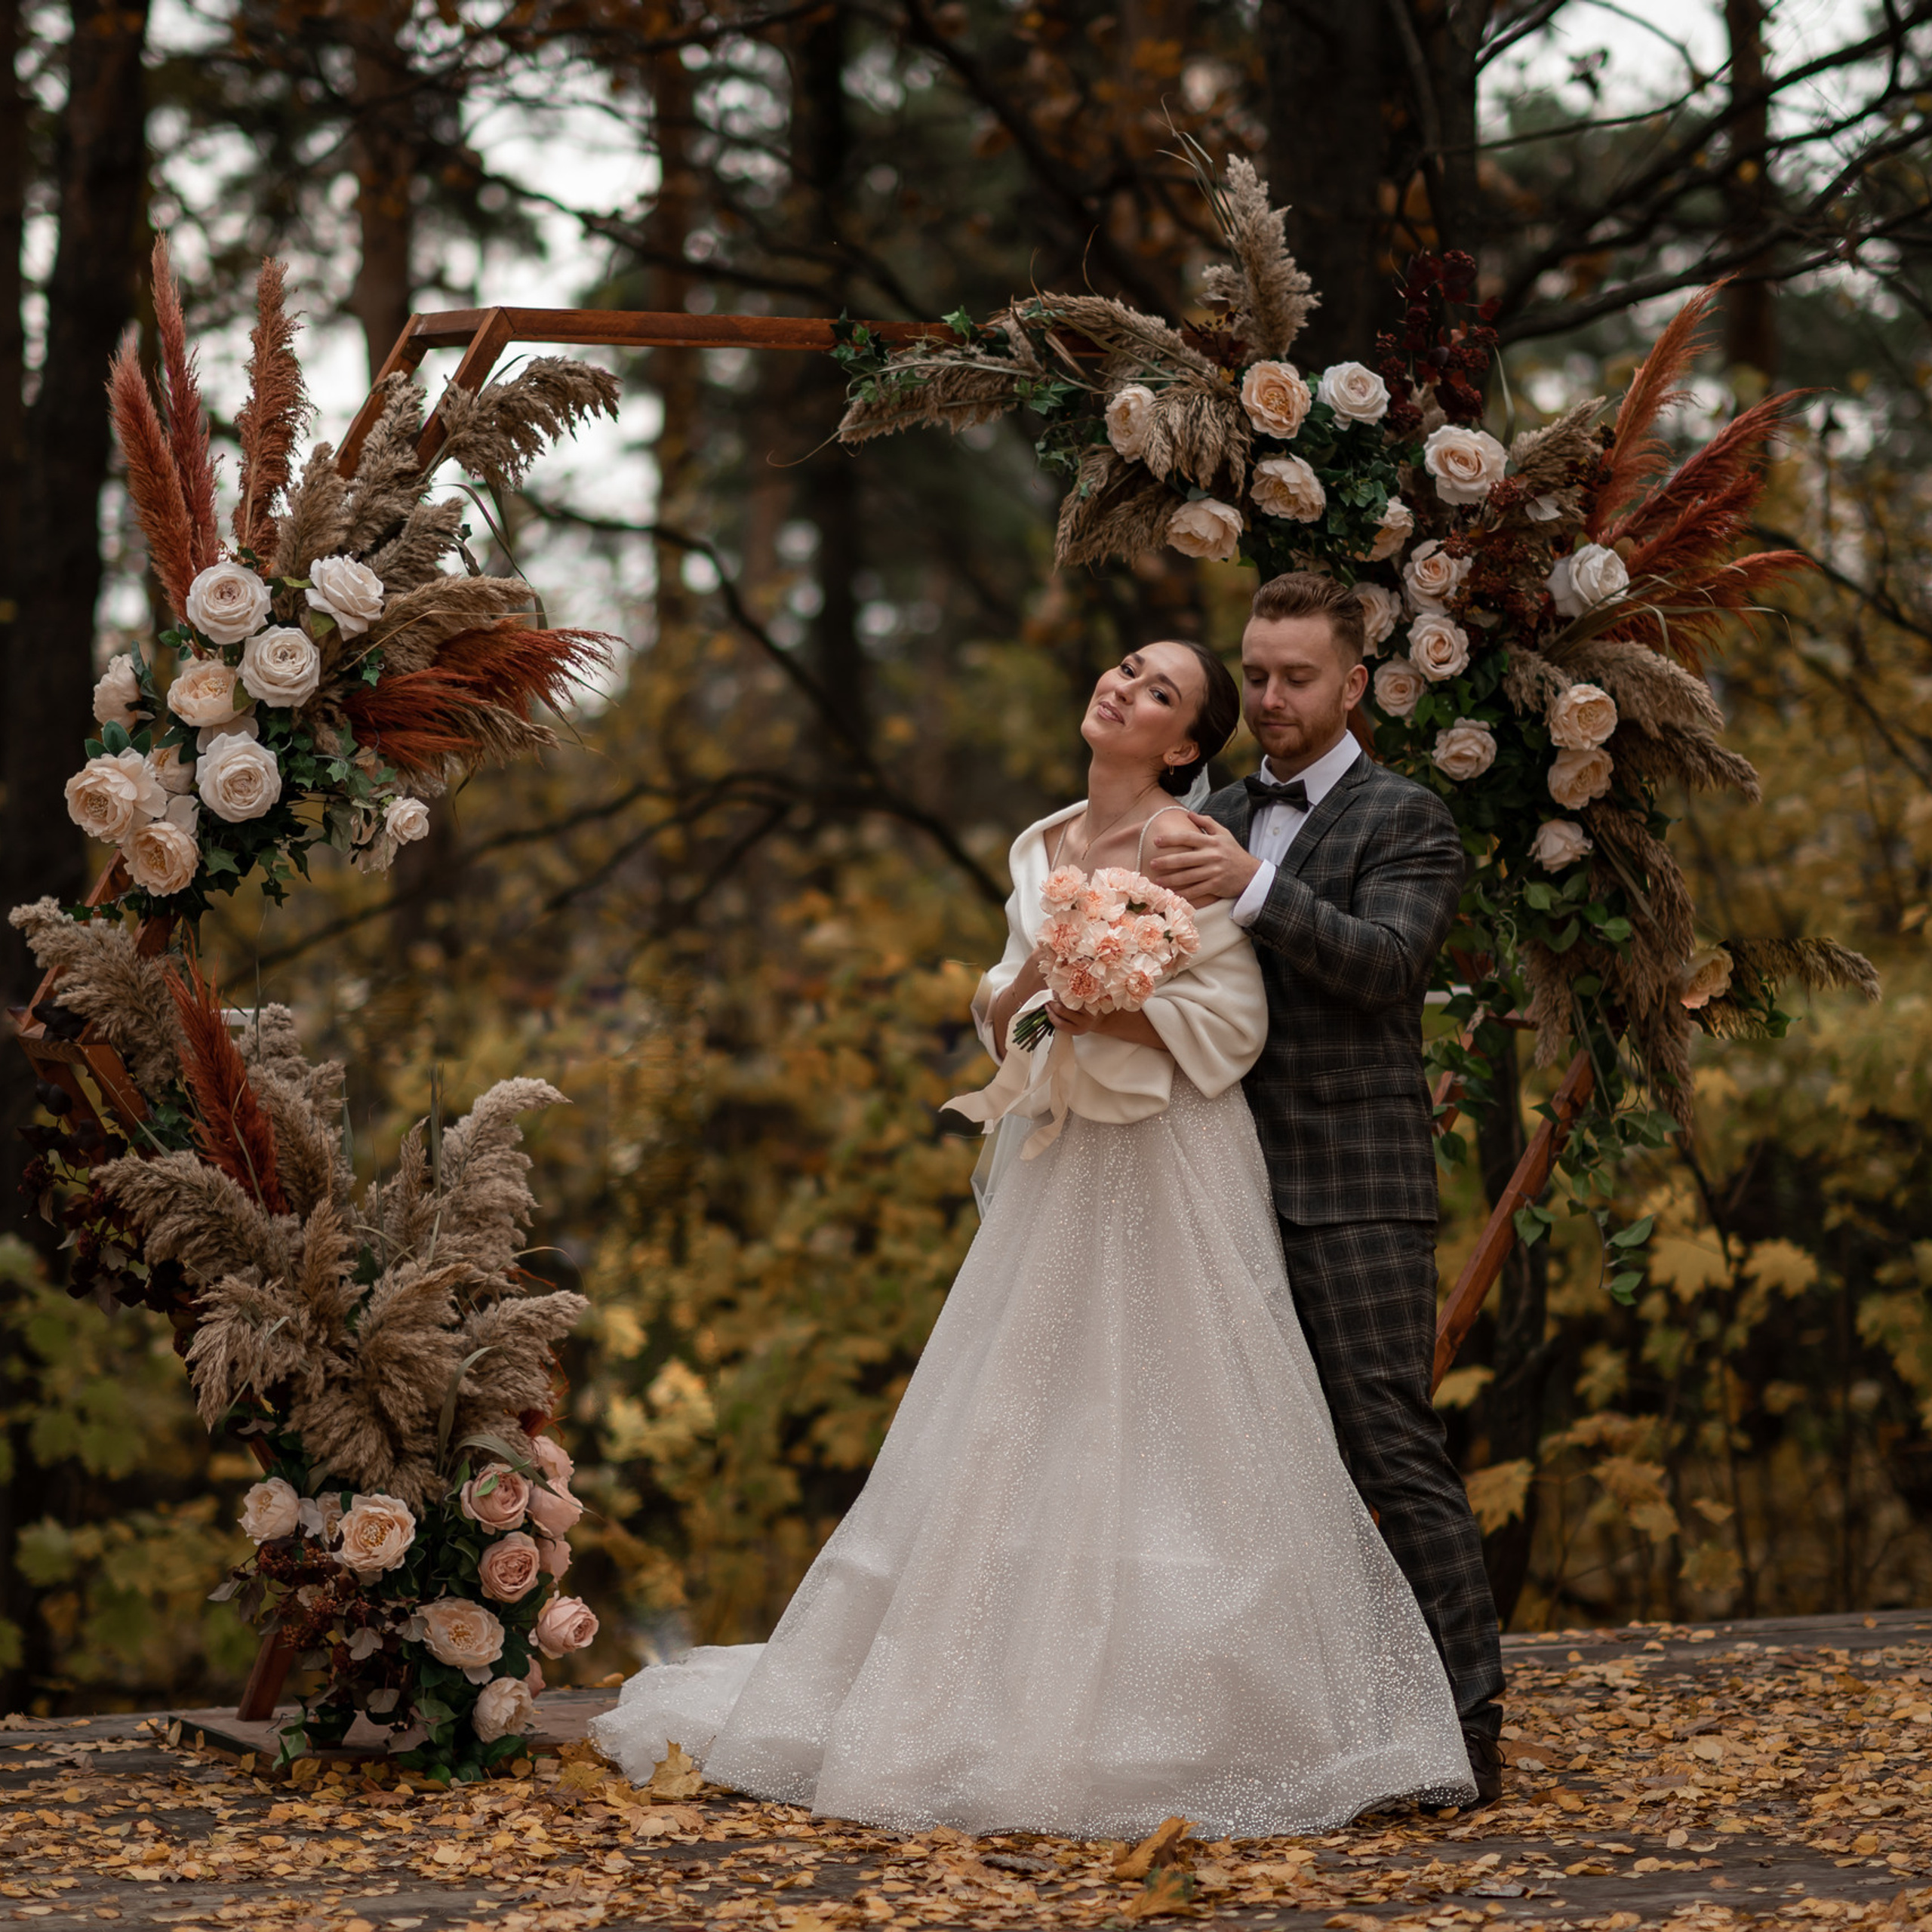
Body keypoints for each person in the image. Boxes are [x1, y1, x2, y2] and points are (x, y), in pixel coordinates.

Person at [590, 636, 1476, 1836]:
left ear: (1185, 744)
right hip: (1063, 1155)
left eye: (1159, 691)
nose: (1124, 687)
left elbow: (1233, 1021)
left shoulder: (1186, 840)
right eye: (1128, 668)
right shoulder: (1042, 842)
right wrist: (1028, 999)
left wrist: (1111, 1004)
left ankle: (1305, 1718)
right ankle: (991, 1692)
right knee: (1023, 1411)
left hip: (1171, 1154)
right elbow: (1004, 997)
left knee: (1192, 1416)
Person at [1145, 570, 1506, 1805]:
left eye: (1296, 678)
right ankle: (1323, 1726)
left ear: (1354, 685)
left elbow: (1388, 965)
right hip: (1218, 1186)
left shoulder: (1408, 818)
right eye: (1255, 674)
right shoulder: (1210, 810)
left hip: (1355, 1188)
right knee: (1252, 1466)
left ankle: (1467, 1727)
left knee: (1387, 1450)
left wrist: (1251, 888)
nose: (1269, 698)